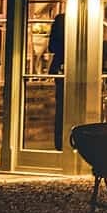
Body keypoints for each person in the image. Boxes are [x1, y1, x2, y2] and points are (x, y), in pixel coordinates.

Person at [47, 12, 67, 148]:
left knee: (61, 107)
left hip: (59, 69)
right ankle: (64, 142)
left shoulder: (59, 22)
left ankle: (60, 142)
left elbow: (51, 48)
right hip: (63, 68)